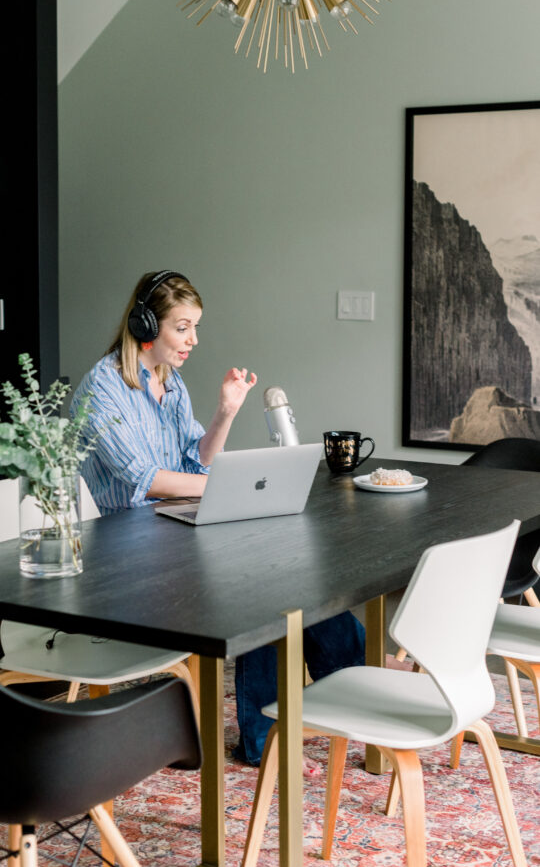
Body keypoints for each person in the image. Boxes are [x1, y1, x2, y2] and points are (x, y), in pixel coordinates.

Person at [71, 269, 365, 765]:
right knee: (259, 584)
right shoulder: (102, 387)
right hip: (124, 553)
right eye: (182, 327)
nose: (193, 340)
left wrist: (226, 413)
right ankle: (268, 734)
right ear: (145, 324)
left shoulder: (171, 382)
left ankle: (344, 697)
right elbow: (145, 478)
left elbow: (195, 461)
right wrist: (218, 488)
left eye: (195, 327)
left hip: (173, 530)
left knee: (290, 568)